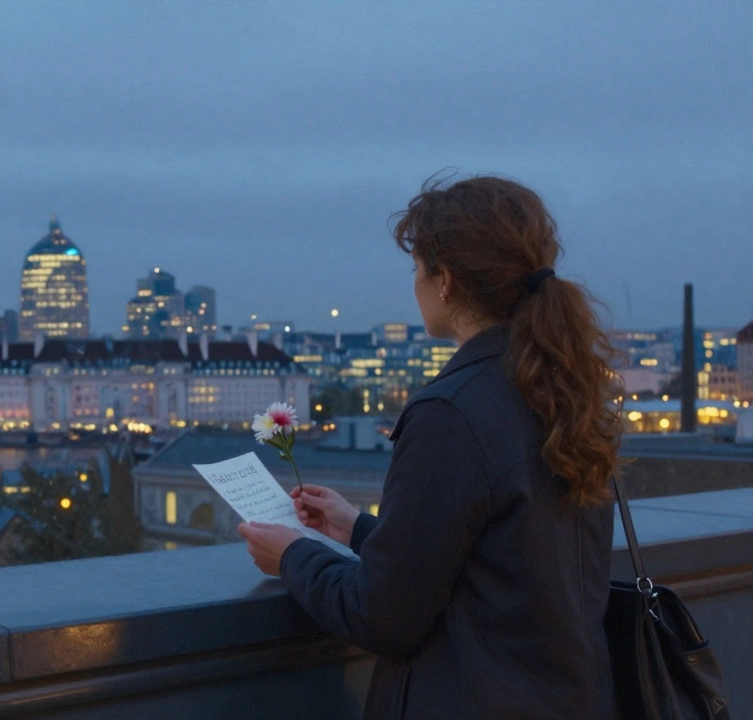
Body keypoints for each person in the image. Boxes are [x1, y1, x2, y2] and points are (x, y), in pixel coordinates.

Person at [238, 176, 623, 719]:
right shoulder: (561, 386)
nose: (415, 283)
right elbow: (506, 559)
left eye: (417, 267)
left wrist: (292, 556)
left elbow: (382, 616)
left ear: (444, 279)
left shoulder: (452, 411)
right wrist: (358, 528)